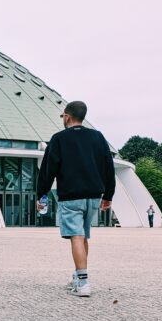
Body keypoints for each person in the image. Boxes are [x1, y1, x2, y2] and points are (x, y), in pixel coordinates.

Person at [36, 100, 115, 298]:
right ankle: (77, 277)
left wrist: (42, 194)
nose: (63, 119)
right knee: (83, 235)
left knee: (76, 236)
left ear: (68, 117)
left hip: (71, 196)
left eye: (63, 116)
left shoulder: (59, 139)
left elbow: (48, 170)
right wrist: (108, 196)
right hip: (93, 195)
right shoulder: (98, 137)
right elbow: (108, 167)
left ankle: (83, 282)